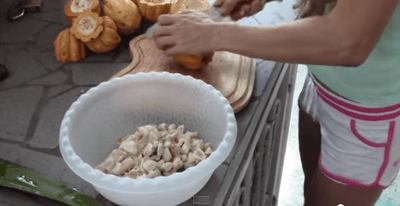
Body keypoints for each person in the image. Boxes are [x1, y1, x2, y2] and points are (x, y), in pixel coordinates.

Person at [153, 0, 400, 205]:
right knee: (312, 194)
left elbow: (348, 40)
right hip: (321, 85)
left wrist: (213, 34)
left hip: (371, 118)